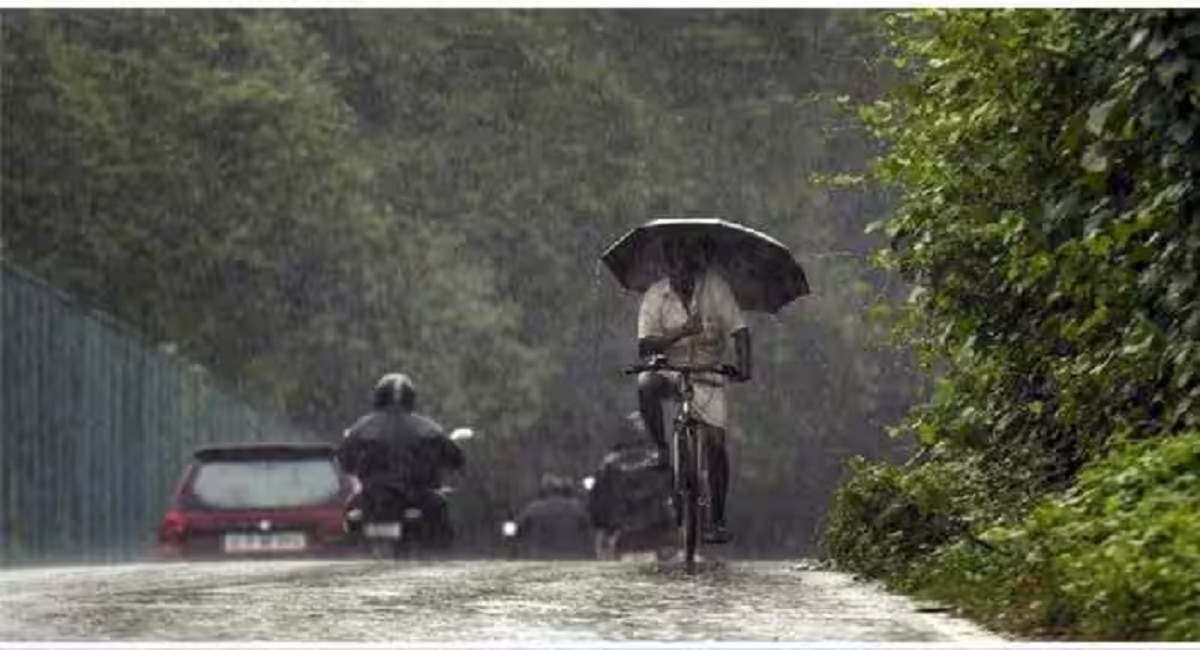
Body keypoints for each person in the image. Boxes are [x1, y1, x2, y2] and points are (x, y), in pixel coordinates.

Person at [636, 236, 751, 544]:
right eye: (674, 267)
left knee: (716, 442)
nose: (682, 275)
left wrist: (744, 367)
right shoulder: (655, 295)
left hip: (708, 374)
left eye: (687, 267)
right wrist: (681, 332)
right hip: (670, 370)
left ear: (696, 265)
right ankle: (661, 449)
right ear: (668, 268)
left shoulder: (715, 288)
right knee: (646, 384)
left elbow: (740, 331)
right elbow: (645, 345)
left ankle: (717, 518)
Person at [337, 373, 464, 544]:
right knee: (441, 510)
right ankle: (438, 554)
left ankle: (352, 546)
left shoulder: (363, 426)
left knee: (351, 509)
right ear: (410, 398)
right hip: (415, 495)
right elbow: (455, 456)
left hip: (374, 497)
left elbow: (345, 459)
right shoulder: (425, 427)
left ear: (379, 397)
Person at [587, 411, 675, 559]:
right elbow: (674, 497)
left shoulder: (609, 465)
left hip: (622, 535)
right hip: (655, 534)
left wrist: (603, 531)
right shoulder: (661, 462)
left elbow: (598, 504)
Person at [513, 474, 594, 559]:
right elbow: (588, 534)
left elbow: (518, 531)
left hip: (540, 555)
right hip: (572, 556)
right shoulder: (578, 509)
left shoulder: (533, 509)